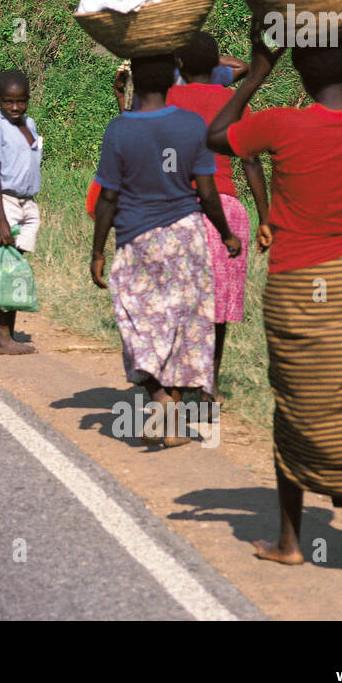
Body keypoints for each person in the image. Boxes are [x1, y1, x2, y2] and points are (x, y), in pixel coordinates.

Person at [206, 20, 342, 587]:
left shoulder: (279, 125)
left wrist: (255, 73)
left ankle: (291, 542)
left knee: (296, 409)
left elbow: (216, 137)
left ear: (297, 71)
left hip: (301, 289)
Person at [90, 54, 242, 445]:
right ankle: (173, 413)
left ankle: (160, 400)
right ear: (171, 83)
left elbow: (107, 197)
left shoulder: (120, 129)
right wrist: (225, 233)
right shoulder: (190, 125)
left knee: (139, 323)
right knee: (180, 324)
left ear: (136, 84)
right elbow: (206, 190)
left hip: (138, 241)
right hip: (185, 239)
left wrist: (98, 252)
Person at [167, 32, 272, 401]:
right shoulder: (233, 100)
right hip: (226, 209)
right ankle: (207, 385)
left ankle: (175, 391)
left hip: (177, 208)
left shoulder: (168, 96)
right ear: (216, 68)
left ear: (179, 64)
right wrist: (265, 218)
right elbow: (250, 159)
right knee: (219, 307)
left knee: (180, 304)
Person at [0, 69, 42, 355]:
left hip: (26, 202)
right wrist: (1, 218)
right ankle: (3, 337)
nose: (15, 108)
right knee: (5, 269)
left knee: (15, 268)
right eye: (8, 102)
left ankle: (9, 335)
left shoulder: (29, 123)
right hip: (2, 201)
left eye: (20, 101)